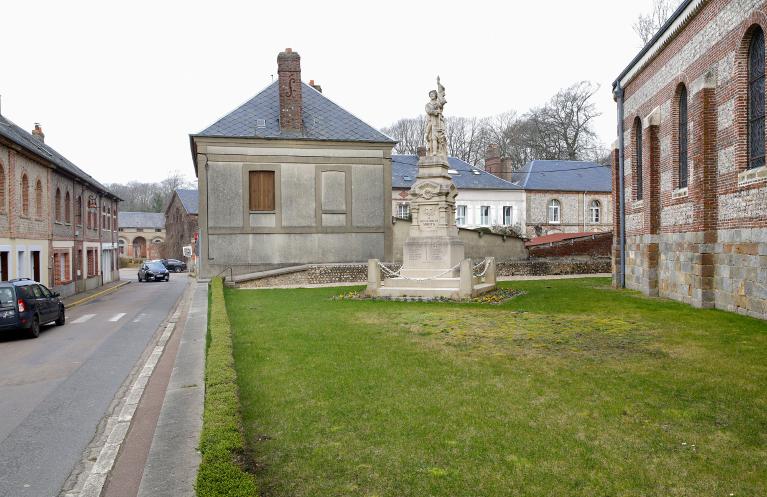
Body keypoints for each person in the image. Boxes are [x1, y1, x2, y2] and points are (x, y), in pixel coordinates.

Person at [424, 77, 447, 156]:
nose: (432, 95)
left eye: (433, 94)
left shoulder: (438, 103)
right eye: (430, 95)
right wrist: (435, 112)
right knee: (433, 137)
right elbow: (429, 111)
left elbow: (442, 103)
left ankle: (440, 151)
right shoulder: (428, 105)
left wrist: (438, 85)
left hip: (439, 121)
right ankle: (434, 152)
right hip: (432, 122)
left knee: (440, 138)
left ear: (436, 95)